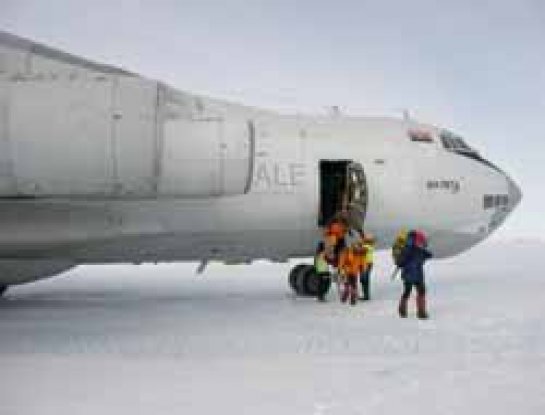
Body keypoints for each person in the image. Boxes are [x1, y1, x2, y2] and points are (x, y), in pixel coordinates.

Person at [396, 230, 432, 319]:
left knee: (415, 291)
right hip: (412, 274)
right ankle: (419, 312)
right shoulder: (412, 249)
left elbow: (426, 254)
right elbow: (400, 261)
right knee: (416, 291)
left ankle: (405, 310)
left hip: (414, 274)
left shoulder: (413, 249)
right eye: (420, 241)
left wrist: (426, 254)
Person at [360, 233, 375, 301]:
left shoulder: (366, 247)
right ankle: (366, 294)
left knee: (364, 279)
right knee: (365, 279)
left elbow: (360, 251)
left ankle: (366, 295)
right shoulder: (370, 247)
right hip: (369, 264)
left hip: (365, 264)